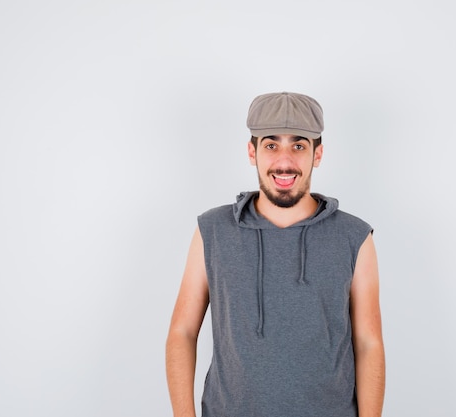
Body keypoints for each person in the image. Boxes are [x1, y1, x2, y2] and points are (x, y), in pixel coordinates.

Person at [165, 92, 385, 417]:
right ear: (252, 152)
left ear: (318, 154)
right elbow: (182, 332)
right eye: (271, 145)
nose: (285, 161)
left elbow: (369, 344)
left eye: (298, 145)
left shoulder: (354, 237)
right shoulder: (212, 230)